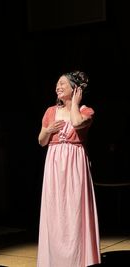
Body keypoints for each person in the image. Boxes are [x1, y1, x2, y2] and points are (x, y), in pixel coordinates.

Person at [37, 70, 101, 267]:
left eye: (63, 84)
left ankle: (77, 259)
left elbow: (76, 123)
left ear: (75, 89)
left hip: (74, 164)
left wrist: (74, 103)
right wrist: (48, 131)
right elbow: (41, 141)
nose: (58, 87)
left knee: (74, 210)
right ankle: (55, 259)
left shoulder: (85, 111)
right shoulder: (50, 112)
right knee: (55, 210)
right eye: (57, 84)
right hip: (54, 164)